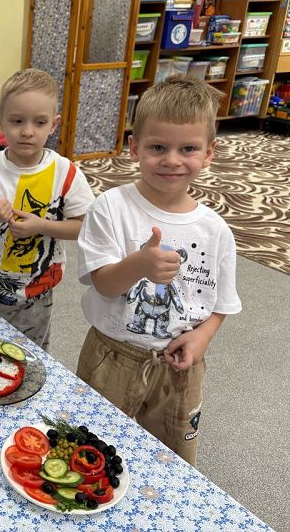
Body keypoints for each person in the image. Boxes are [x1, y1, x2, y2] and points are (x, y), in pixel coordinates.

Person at [76, 76, 242, 465]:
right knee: (90, 447)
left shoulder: (215, 229)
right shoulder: (111, 208)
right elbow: (103, 283)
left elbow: (221, 303)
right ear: (134, 148)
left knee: (172, 457)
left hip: (180, 367)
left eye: (188, 148)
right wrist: (139, 265)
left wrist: (203, 337)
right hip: (111, 355)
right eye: (157, 147)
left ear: (208, 153)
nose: (171, 160)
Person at [0, 68, 95, 350]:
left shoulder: (64, 172)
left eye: (39, 122)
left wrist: (40, 225)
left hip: (38, 291)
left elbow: (84, 226)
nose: (28, 131)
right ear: (0, 121)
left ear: (54, 124)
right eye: (17, 121)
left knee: (31, 356)